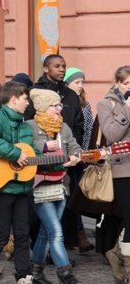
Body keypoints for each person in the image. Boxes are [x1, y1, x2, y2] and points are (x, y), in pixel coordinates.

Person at [0, 82, 75, 284]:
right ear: (14, 98)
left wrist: (62, 163)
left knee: (22, 234)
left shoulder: (23, 126)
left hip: (22, 186)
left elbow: (34, 157)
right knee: (1, 234)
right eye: (25, 99)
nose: (27, 103)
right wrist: (14, 153)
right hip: (1, 186)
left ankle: (24, 276)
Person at [26, 89, 84, 284]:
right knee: (56, 231)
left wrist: (77, 156)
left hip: (61, 184)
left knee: (46, 231)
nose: (60, 108)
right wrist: (44, 149)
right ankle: (65, 274)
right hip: (38, 185)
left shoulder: (64, 128)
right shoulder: (29, 127)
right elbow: (24, 152)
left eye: (60, 104)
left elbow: (75, 147)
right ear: (43, 107)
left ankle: (37, 273)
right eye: (55, 105)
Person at [98, 65, 130, 283]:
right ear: (117, 83)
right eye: (127, 83)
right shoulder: (106, 103)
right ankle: (128, 267)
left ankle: (117, 253)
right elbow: (111, 134)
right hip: (122, 168)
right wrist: (126, 109)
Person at [63, 67, 96, 253]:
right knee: (69, 196)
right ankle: (77, 233)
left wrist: (84, 154)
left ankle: (79, 233)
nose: (80, 86)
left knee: (77, 196)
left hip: (80, 157)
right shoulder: (62, 102)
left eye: (82, 82)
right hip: (64, 156)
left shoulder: (85, 105)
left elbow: (88, 130)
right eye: (76, 82)